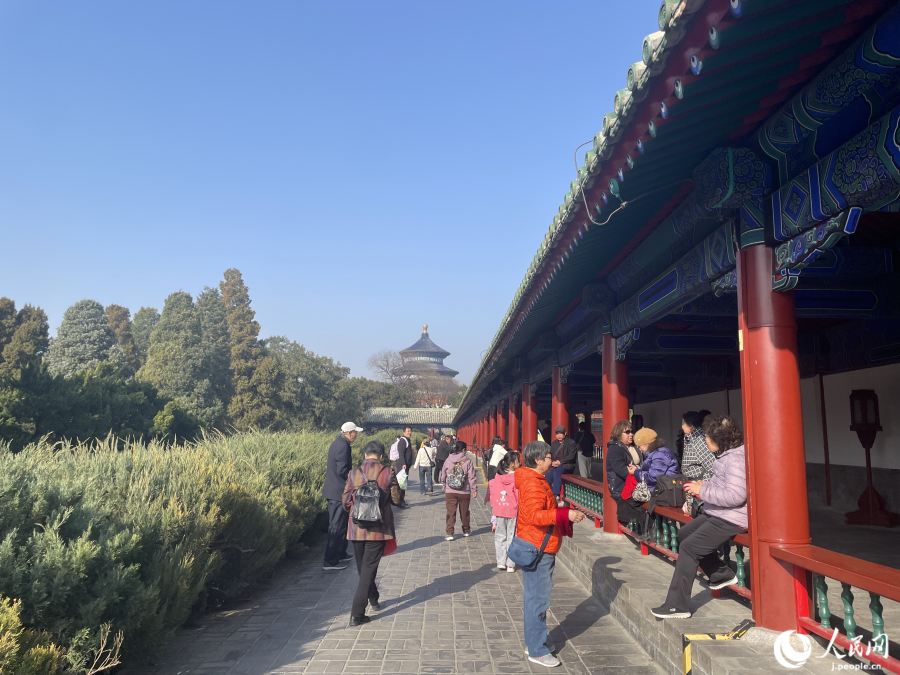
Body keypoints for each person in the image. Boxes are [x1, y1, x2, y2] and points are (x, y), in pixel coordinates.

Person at [651, 415, 747, 619]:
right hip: (719, 512)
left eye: (708, 438)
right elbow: (723, 486)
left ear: (719, 439)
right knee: (684, 534)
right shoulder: (726, 456)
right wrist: (704, 486)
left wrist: (702, 491)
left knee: (689, 547)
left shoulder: (735, 459)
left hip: (733, 517)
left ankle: (678, 605)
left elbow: (736, 496)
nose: (706, 441)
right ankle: (721, 573)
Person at [516, 441, 585, 668]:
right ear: (537, 460)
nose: (551, 460)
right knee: (538, 600)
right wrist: (564, 515)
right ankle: (537, 649)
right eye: (547, 457)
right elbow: (535, 516)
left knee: (535, 598)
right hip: (538, 546)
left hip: (537, 543)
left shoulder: (532, 479)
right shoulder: (534, 484)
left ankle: (535, 640)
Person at [342, 440, 402, 626]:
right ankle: (357, 614)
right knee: (367, 571)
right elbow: (396, 499)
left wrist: (356, 508)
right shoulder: (387, 472)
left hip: (356, 529)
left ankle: (373, 597)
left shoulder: (354, 473)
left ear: (364, 455)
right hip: (378, 529)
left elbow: (344, 501)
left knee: (363, 570)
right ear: (381, 456)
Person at [322, 421, 361, 571]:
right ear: (349, 433)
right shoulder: (342, 446)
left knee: (342, 524)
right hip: (337, 492)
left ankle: (340, 553)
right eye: (355, 433)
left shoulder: (340, 443)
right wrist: (354, 479)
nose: (356, 435)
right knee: (336, 526)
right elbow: (342, 470)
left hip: (337, 491)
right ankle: (330, 561)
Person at [605, 420, 645, 528]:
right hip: (622, 487)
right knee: (642, 509)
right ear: (618, 434)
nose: (631, 434)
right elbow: (622, 471)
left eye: (631, 431)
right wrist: (638, 471)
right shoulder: (615, 448)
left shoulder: (635, 447)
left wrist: (636, 470)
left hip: (637, 483)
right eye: (627, 432)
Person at [488, 452, 521, 571]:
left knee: (500, 537)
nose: (520, 463)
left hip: (499, 510)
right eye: (517, 461)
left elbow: (493, 494)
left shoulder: (497, 477)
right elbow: (519, 495)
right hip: (512, 511)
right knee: (511, 537)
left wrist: (493, 510)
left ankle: (501, 561)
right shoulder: (517, 477)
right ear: (512, 464)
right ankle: (510, 564)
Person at [439, 439, 477, 540]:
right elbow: (471, 477)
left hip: (450, 491)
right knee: (464, 512)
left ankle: (450, 533)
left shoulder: (448, 459)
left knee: (450, 512)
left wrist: (443, 484)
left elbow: (443, 474)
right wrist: (474, 490)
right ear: (464, 449)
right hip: (464, 491)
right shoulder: (468, 461)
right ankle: (466, 530)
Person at [546, 426, 578, 499]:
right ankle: (547, 491)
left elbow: (571, 456)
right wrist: (552, 462)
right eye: (557, 434)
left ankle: (556, 494)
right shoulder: (554, 443)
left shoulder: (571, 443)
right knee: (548, 473)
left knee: (557, 472)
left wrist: (560, 462)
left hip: (567, 464)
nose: (559, 435)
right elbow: (551, 454)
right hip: (556, 464)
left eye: (561, 433)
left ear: (565, 433)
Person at [389, 426, 414, 507]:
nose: (409, 432)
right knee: (401, 485)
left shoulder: (406, 440)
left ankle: (400, 501)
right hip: (401, 466)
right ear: (404, 432)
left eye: (410, 431)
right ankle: (400, 502)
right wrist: (403, 464)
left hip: (404, 466)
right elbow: (401, 453)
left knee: (402, 484)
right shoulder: (403, 441)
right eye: (408, 431)